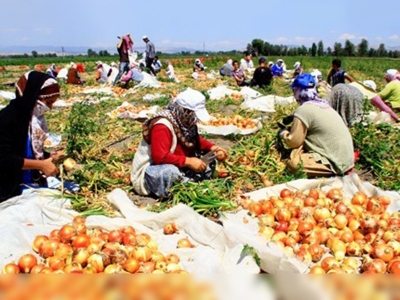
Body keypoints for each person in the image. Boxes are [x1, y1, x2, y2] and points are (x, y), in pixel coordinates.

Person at [130, 89, 228, 198]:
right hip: (152, 171)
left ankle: (187, 181)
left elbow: (194, 139)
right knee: (170, 172)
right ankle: (181, 185)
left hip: (177, 163)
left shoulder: (183, 121)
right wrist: (188, 161)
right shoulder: (162, 126)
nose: (195, 119)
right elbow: (159, 157)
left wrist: (213, 148)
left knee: (209, 159)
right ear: (185, 111)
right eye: (193, 114)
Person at [0, 71, 61, 202]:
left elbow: (26, 149)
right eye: (48, 102)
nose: (49, 108)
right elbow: (4, 159)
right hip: (7, 187)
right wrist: (40, 165)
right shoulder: (7, 118)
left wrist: (49, 156)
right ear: (32, 96)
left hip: (26, 182)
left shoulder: (31, 119)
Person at [279, 73, 354, 178]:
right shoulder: (324, 104)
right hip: (346, 159)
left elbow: (294, 142)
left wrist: (284, 133)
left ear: (297, 91)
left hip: (336, 163)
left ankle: (329, 169)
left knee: (294, 165)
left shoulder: (304, 109)